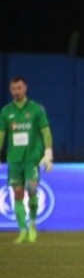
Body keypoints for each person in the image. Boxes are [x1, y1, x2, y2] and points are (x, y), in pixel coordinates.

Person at [0, 76, 54, 243]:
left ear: (25, 88)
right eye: (13, 89)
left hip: (32, 159)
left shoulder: (37, 110)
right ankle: (22, 230)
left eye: (19, 88)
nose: (16, 91)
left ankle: (32, 224)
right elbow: (1, 135)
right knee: (17, 193)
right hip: (15, 160)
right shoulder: (6, 112)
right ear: (10, 90)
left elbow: (45, 132)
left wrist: (48, 154)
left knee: (31, 190)